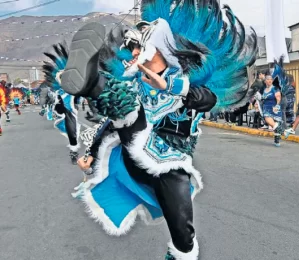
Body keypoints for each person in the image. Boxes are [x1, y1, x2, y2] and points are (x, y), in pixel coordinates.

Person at [48, 1, 258, 259]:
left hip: (172, 165)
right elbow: (112, 121)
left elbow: (208, 100)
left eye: (139, 47)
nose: (133, 52)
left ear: (161, 49)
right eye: (132, 48)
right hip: (134, 152)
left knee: (182, 233)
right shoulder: (135, 85)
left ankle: (178, 254)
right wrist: (91, 152)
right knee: (125, 105)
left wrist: (170, 86)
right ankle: (93, 82)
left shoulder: (186, 83)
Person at [43, 44, 81, 165]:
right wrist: (58, 106)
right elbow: (57, 106)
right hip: (67, 114)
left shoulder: (75, 90)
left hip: (73, 113)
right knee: (72, 132)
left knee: (74, 132)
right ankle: (73, 152)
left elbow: (82, 97)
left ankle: (74, 150)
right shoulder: (59, 92)